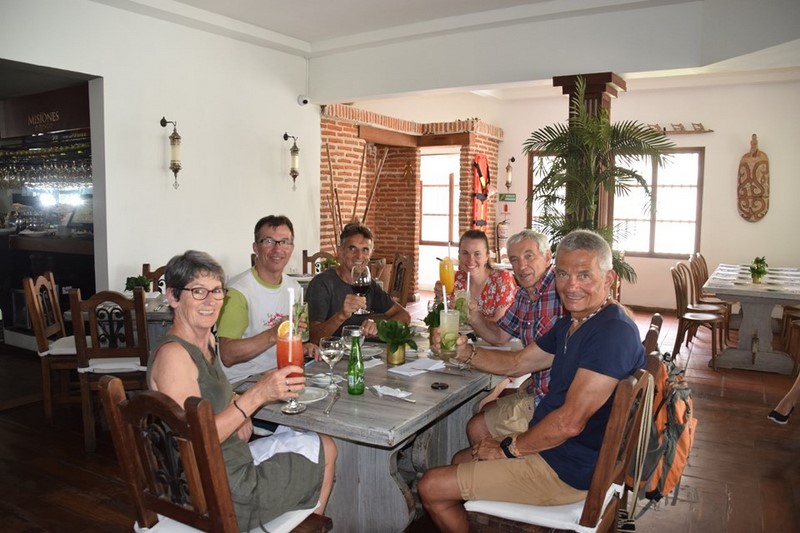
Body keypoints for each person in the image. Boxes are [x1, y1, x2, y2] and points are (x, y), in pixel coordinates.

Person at [418, 230, 645, 533]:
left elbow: (569, 423)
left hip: (567, 470)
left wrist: (508, 448)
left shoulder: (612, 334)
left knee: (431, 485)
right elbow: (518, 362)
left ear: (609, 279)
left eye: (584, 275)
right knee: (461, 457)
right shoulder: (575, 321)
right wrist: (464, 352)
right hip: (560, 448)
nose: (571, 286)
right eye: (563, 274)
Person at [148, 250, 337, 529]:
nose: (210, 301)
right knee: (325, 449)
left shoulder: (206, 342)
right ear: (173, 296)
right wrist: (256, 395)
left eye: (217, 291)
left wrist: (236, 403)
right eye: (198, 291)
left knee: (321, 442)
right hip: (219, 493)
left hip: (227, 464)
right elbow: (195, 438)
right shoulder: (174, 357)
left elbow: (207, 399)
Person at [465, 229, 564, 444]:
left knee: (476, 426)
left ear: (548, 257)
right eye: (515, 259)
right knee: (484, 408)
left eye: (529, 256)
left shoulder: (561, 290)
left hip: (556, 402)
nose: (521, 266)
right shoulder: (524, 294)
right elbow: (500, 335)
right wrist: (474, 317)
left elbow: (518, 364)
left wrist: (465, 353)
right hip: (538, 388)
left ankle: (509, 463)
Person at [217, 215, 317, 384]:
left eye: (284, 242)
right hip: (243, 382)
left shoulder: (294, 288)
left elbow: (291, 339)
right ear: (255, 248)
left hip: (280, 375)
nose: (277, 249)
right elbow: (227, 355)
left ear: (292, 248)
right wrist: (273, 334)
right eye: (268, 241)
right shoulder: (238, 291)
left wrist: (303, 347)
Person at [307, 222, 410, 344]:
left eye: (365, 250)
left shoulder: (368, 284)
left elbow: (404, 315)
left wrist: (381, 326)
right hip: (330, 353)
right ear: (341, 251)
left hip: (359, 352)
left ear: (370, 254)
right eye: (352, 248)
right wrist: (341, 315)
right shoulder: (321, 284)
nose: (359, 256)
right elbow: (313, 338)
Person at [436, 229, 517, 321]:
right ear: (459, 256)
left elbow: (500, 324)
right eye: (465, 253)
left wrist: (472, 319)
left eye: (477, 254)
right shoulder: (455, 279)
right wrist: (440, 298)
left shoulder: (502, 279)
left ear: (486, 256)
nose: (471, 260)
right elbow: (443, 319)